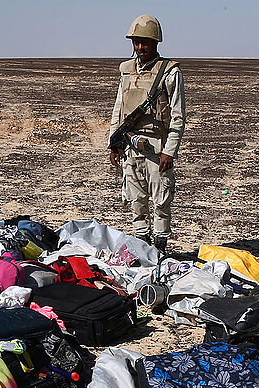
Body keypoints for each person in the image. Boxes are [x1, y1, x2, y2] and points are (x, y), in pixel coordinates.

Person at [108, 14, 185, 254]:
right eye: (136, 42)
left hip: (157, 147)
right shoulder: (126, 71)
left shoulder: (170, 73)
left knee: (161, 202)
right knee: (136, 201)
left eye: (145, 42)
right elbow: (118, 109)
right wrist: (114, 142)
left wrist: (169, 151)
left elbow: (178, 116)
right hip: (130, 145)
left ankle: (160, 251)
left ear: (156, 43)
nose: (140, 47)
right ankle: (142, 250)